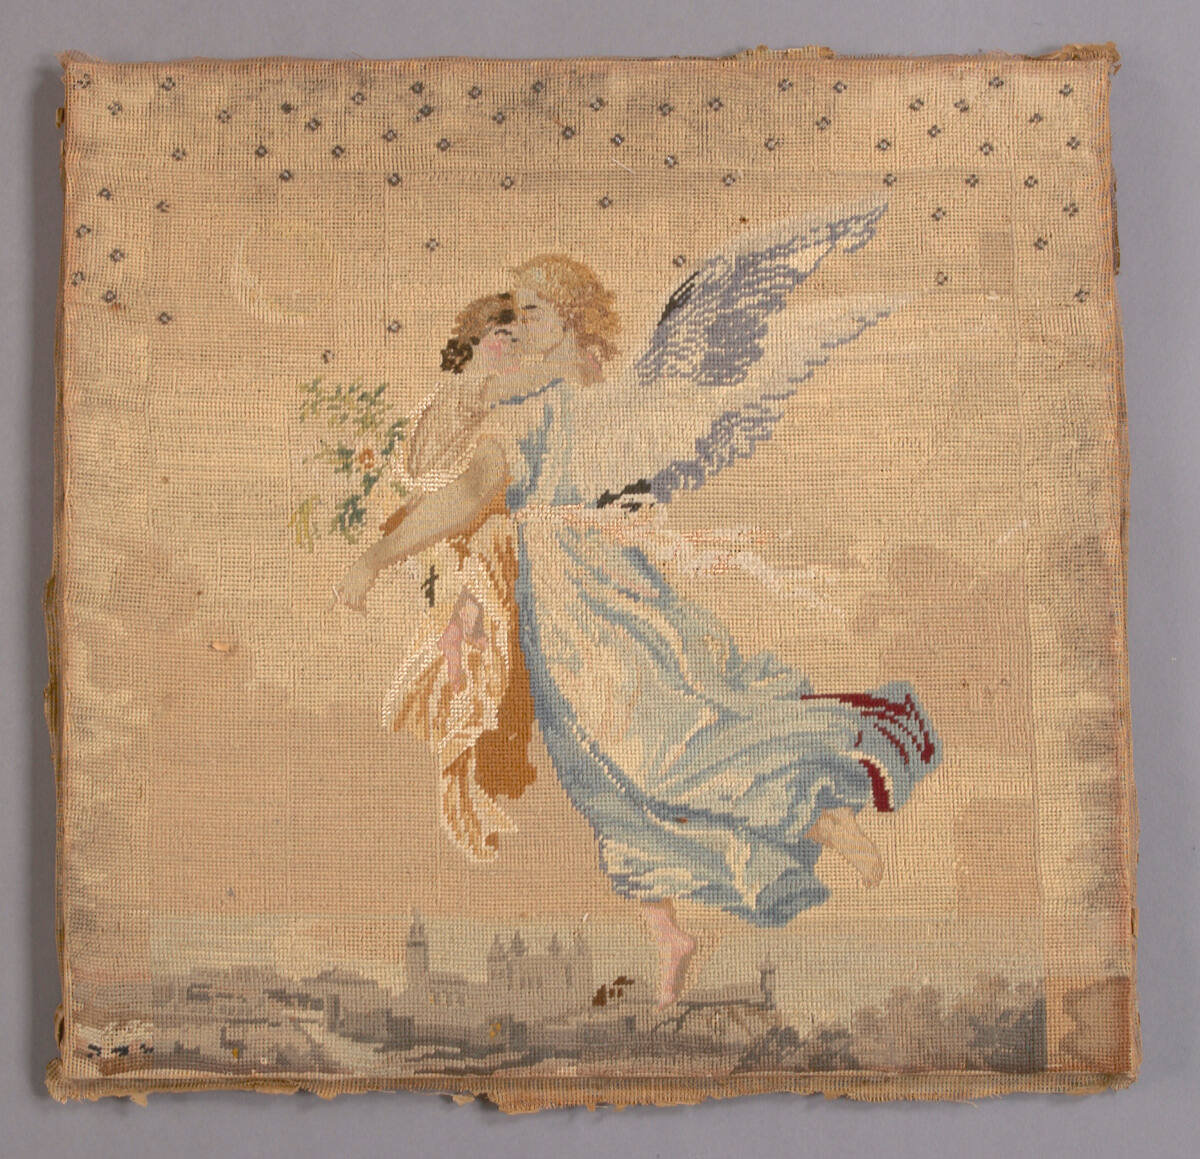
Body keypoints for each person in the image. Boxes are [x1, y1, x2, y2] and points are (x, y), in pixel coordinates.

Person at [336, 209, 943, 1007]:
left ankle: (821, 819)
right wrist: (404, 557)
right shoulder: (541, 407)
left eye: (535, 312)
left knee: (666, 749)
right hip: (558, 616)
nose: (521, 326)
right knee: (600, 776)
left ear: (570, 320)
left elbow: (471, 493)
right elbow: (467, 496)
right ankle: (668, 932)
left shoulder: (585, 403)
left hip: (602, 608)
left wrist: (377, 556)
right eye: (516, 314)